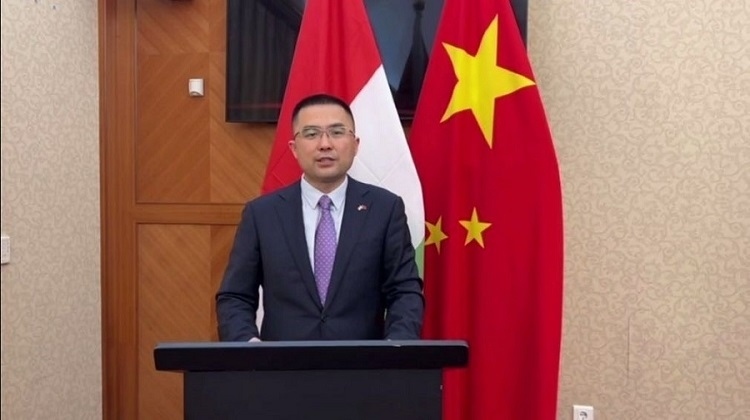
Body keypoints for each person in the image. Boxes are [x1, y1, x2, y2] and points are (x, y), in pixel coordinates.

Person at [216, 93, 425, 341]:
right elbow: (235, 296)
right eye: (311, 134)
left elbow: (405, 291)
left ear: (355, 144)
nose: (325, 144)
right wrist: (248, 346)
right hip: (282, 363)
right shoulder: (262, 214)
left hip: (363, 362)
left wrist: (396, 348)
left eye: (336, 132)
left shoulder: (385, 209)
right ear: (294, 148)